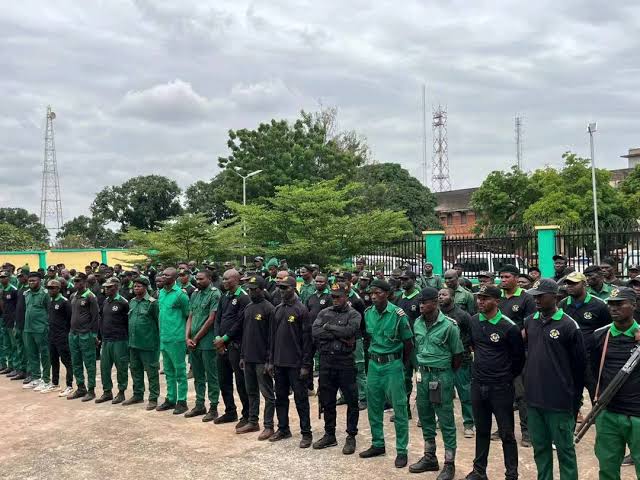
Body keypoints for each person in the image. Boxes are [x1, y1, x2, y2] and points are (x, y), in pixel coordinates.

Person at [524, 278, 586, 480]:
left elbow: (580, 367)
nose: (536, 300)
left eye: (541, 296)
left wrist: (574, 401)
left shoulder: (568, 325)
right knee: (540, 449)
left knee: (564, 450)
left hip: (559, 401)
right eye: (534, 296)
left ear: (556, 297)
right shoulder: (530, 321)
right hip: (534, 399)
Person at [465, 284, 525, 480]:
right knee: (482, 430)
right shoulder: (474, 321)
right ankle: (479, 471)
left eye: (485, 298)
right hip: (478, 384)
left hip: (501, 387)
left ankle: (511, 474)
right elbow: (473, 346)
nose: (480, 301)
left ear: (497, 301)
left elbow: (518, 360)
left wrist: (503, 377)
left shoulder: (509, 327)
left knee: (507, 434)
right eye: (479, 298)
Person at [408, 287, 463, 479]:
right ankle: (430, 457)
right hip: (423, 376)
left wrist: (444, 373)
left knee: (446, 421)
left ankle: (449, 463)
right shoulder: (417, 323)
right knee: (425, 417)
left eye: (425, 302)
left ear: (435, 302)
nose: (421, 305)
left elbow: (458, 356)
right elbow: (416, 348)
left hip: (441, 376)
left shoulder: (449, 326)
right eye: (420, 302)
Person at [359, 279, 414, 469]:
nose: (373, 296)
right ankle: (378, 444)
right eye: (371, 293)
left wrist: (402, 366)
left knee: (399, 409)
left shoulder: (398, 315)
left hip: (393, 365)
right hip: (374, 365)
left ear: (388, 294)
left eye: (378, 293)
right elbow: (369, 339)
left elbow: (408, 344)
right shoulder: (368, 313)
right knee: (373, 407)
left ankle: (402, 450)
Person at [592, 287, 640, 479]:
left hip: (638, 414)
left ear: (634, 305)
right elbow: (594, 371)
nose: (613, 308)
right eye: (611, 304)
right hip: (608, 413)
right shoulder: (600, 335)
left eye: (619, 304)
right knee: (607, 467)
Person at [311, 282, 361, 454]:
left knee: (351, 401)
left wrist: (328, 327)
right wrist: (338, 333)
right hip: (326, 362)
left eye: (338, 296)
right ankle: (329, 434)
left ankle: (351, 436)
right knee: (327, 400)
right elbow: (315, 331)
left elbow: (350, 332)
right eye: (333, 297)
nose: (335, 299)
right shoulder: (324, 312)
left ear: (346, 296)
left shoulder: (353, 314)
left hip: (345, 363)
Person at [267, 275, 313, 448]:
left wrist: (306, 365)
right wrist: (270, 361)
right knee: (280, 398)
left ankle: (306, 433)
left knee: (301, 399)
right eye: (280, 287)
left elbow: (307, 341)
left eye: (285, 287)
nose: (281, 290)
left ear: (293, 288)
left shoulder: (301, 310)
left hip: (296, 364)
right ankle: (283, 429)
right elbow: (272, 338)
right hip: (279, 363)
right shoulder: (277, 310)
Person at [498, 264, 536, 447]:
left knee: (521, 394)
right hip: (499, 352)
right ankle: (504, 428)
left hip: (519, 352)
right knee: (501, 392)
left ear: (515, 278)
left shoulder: (526, 298)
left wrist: (513, 341)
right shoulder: (497, 297)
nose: (503, 280)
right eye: (501, 277)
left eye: (506, 277)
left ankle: (527, 431)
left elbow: (528, 325)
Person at [559, 271, 611, 404]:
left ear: (584, 284)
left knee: (596, 396)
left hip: (591, 359)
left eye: (574, 283)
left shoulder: (600, 305)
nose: (570, 286)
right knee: (571, 397)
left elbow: (607, 329)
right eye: (568, 283)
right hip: (570, 359)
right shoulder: (562, 305)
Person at [213, 269, 251, 428]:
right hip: (221, 345)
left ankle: (247, 415)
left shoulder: (243, 298)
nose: (224, 282)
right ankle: (230, 411)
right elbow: (218, 319)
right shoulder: (224, 296)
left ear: (236, 280)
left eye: (227, 279)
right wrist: (217, 337)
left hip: (236, 345)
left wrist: (225, 339)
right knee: (224, 380)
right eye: (223, 279)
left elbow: (240, 323)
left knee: (241, 382)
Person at [240, 275, 276, 439]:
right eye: (249, 289)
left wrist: (270, 361)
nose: (251, 292)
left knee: (267, 394)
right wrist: (242, 356)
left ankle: (269, 426)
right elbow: (245, 334)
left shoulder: (269, 309)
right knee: (251, 392)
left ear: (262, 290)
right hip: (248, 357)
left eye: (254, 289)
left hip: (262, 360)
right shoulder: (248, 308)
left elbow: (272, 338)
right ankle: (253, 421)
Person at [185, 270, 221, 422]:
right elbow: (190, 316)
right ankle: (199, 405)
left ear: (209, 279)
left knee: (211, 376)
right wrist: (187, 337)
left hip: (207, 342)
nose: (198, 281)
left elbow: (211, 319)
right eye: (197, 279)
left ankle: (213, 408)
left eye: (201, 279)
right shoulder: (195, 294)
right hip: (193, 341)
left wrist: (196, 338)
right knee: (198, 375)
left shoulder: (215, 294)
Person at [438, 287, 475, 438]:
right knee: (443, 392)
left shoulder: (463, 315)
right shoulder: (436, 314)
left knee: (465, 392)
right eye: (439, 295)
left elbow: (471, 336)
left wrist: (464, 351)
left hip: (461, 359)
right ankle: (443, 420)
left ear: (452, 297)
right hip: (441, 360)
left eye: (444, 294)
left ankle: (469, 423)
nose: (441, 297)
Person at [157, 267, 190, 415]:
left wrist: (186, 336)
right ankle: (171, 398)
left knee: (180, 371)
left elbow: (188, 315)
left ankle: (182, 401)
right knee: (168, 371)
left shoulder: (180, 295)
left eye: (167, 275)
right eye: (163, 275)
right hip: (164, 337)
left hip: (177, 338)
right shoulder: (161, 293)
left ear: (175, 278)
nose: (163, 277)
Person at [125, 277, 160, 410]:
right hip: (133, 344)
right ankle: (138, 394)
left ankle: (153, 398)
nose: (136, 288)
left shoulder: (152, 303)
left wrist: (157, 343)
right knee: (135, 370)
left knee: (151, 372)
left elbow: (158, 323)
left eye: (139, 286)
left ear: (145, 288)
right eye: (134, 286)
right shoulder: (132, 302)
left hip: (148, 344)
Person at [96, 277, 130, 405]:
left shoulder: (123, 302)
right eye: (106, 287)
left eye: (109, 287)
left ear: (116, 287)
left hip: (120, 340)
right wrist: (99, 336)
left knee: (121, 367)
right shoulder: (105, 301)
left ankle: (121, 392)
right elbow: (102, 319)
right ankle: (107, 392)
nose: (106, 289)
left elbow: (128, 323)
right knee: (104, 367)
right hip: (106, 340)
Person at [67, 273, 100, 401]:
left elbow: (96, 317)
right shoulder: (73, 296)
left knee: (89, 363)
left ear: (85, 282)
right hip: (73, 334)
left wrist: (94, 334)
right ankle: (81, 388)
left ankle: (91, 390)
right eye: (75, 281)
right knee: (76, 362)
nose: (76, 283)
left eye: (79, 281)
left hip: (86, 334)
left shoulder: (90, 296)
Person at [396, 270, 422, 421]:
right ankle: (405, 409)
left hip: (418, 344)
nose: (403, 281)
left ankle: (424, 412)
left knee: (422, 377)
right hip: (403, 344)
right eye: (401, 279)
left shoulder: (420, 298)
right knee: (404, 377)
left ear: (414, 279)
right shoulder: (399, 298)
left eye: (406, 279)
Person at [22, 272, 52, 391]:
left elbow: (50, 311)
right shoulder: (27, 293)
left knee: (44, 354)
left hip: (41, 328)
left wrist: (47, 326)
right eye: (30, 281)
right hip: (28, 328)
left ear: (40, 281)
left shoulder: (45, 294)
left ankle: (46, 380)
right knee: (31, 353)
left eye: (33, 280)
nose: (31, 283)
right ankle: (36, 378)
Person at [45, 279, 73, 396]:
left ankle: (69, 385)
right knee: (53, 360)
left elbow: (70, 319)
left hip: (62, 336)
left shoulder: (64, 302)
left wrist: (66, 334)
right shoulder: (50, 301)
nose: (50, 290)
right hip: (52, 335)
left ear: (58, 289)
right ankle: (55, 383)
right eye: (48, 288)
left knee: (66, 361)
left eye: (52, 288)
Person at [305, 274, 332, 395]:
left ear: (326, 283)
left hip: (323, 334)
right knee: (307, 359)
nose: (318, 283)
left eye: (321, 282)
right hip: (310, 333)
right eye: (317, 281)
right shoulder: (311, 297)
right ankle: (309, 387)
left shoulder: (329, 297)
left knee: (323, 361)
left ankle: (323, 388)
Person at [0, 270, 18, 377]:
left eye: (4, 277)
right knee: (6, 344)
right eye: (1, 277)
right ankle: (10, 366)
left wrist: (16, 321)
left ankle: (16, 367)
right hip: (4, 320)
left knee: (14, 345)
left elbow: (17, 307)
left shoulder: (13, 290)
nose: (2, 279)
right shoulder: (2, 290)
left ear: (9, 278)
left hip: (12, 321)